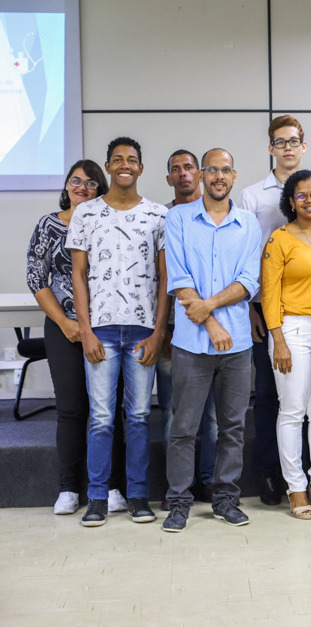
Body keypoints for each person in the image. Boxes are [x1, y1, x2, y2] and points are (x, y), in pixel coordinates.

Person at [67, 137, 169, 527]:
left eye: (132, 160)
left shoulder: (158, 215)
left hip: (143, 331)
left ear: (141, 168)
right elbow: (78, 274)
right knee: (101, 417)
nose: (125, 165)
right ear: (108, 167)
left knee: (140, 416)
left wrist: (159, 333)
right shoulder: (86, 214)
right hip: (102, 332)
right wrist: (87, 331)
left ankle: (138, 496)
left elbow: (164, 279)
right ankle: (97, 498)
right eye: (117, 160)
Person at [162, 148, 261, 532]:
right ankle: (179, 503)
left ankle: (225, 500)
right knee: (183, 426)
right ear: (202, 175)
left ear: (234, 176)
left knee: (232, 427)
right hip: (191, 344)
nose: (218, 176)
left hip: (237, 346)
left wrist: (211, 309)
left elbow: (249, 281)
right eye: (212, 170)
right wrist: (213, 324)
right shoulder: (178, 218)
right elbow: (179, 278)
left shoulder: (248, 223)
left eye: (226, 170)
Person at [26, 160, 129, 515]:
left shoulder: (109, 223)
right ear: (67, 186)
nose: (82, 187)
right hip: (63, 329)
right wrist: (68, 324)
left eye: (90, 183)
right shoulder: (48, 225)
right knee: (71, 410)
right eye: (76, 181)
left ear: (101, 189)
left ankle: (113, 486)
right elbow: (37, 280)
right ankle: (69, 488)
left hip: (106, 328)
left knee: (109, 411)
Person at [237, 114, 308, 506]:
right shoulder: (252, 196)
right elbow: (247, 255)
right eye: (280, 142)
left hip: (308, 309)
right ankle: (269, 474)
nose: (287, 147)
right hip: (266, 309)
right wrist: (251, 307)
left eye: (293, 141)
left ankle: (307, 472)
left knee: (308, 397)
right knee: (267, 394)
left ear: (304, 146)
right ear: (270, 148)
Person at [261, 170, 311, 519]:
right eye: (302, 195)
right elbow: (268, 294)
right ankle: (295, 488)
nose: (310, 199)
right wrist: (278, 340)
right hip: (290, 330)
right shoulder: (279, 240)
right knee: (292, 411)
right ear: (291, 202)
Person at [158, 149, 218, 507]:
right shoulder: (164, 217)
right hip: (176, 331)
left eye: (189, 167)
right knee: (174, 414)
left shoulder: (220, 212)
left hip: (221, 331)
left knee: (211, 416)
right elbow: (164, 279)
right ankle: (176, 489)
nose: (183, 174)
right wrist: (163, 329)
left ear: (200, 174)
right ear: (169, 178)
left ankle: (209, 481)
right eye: (175, 169)